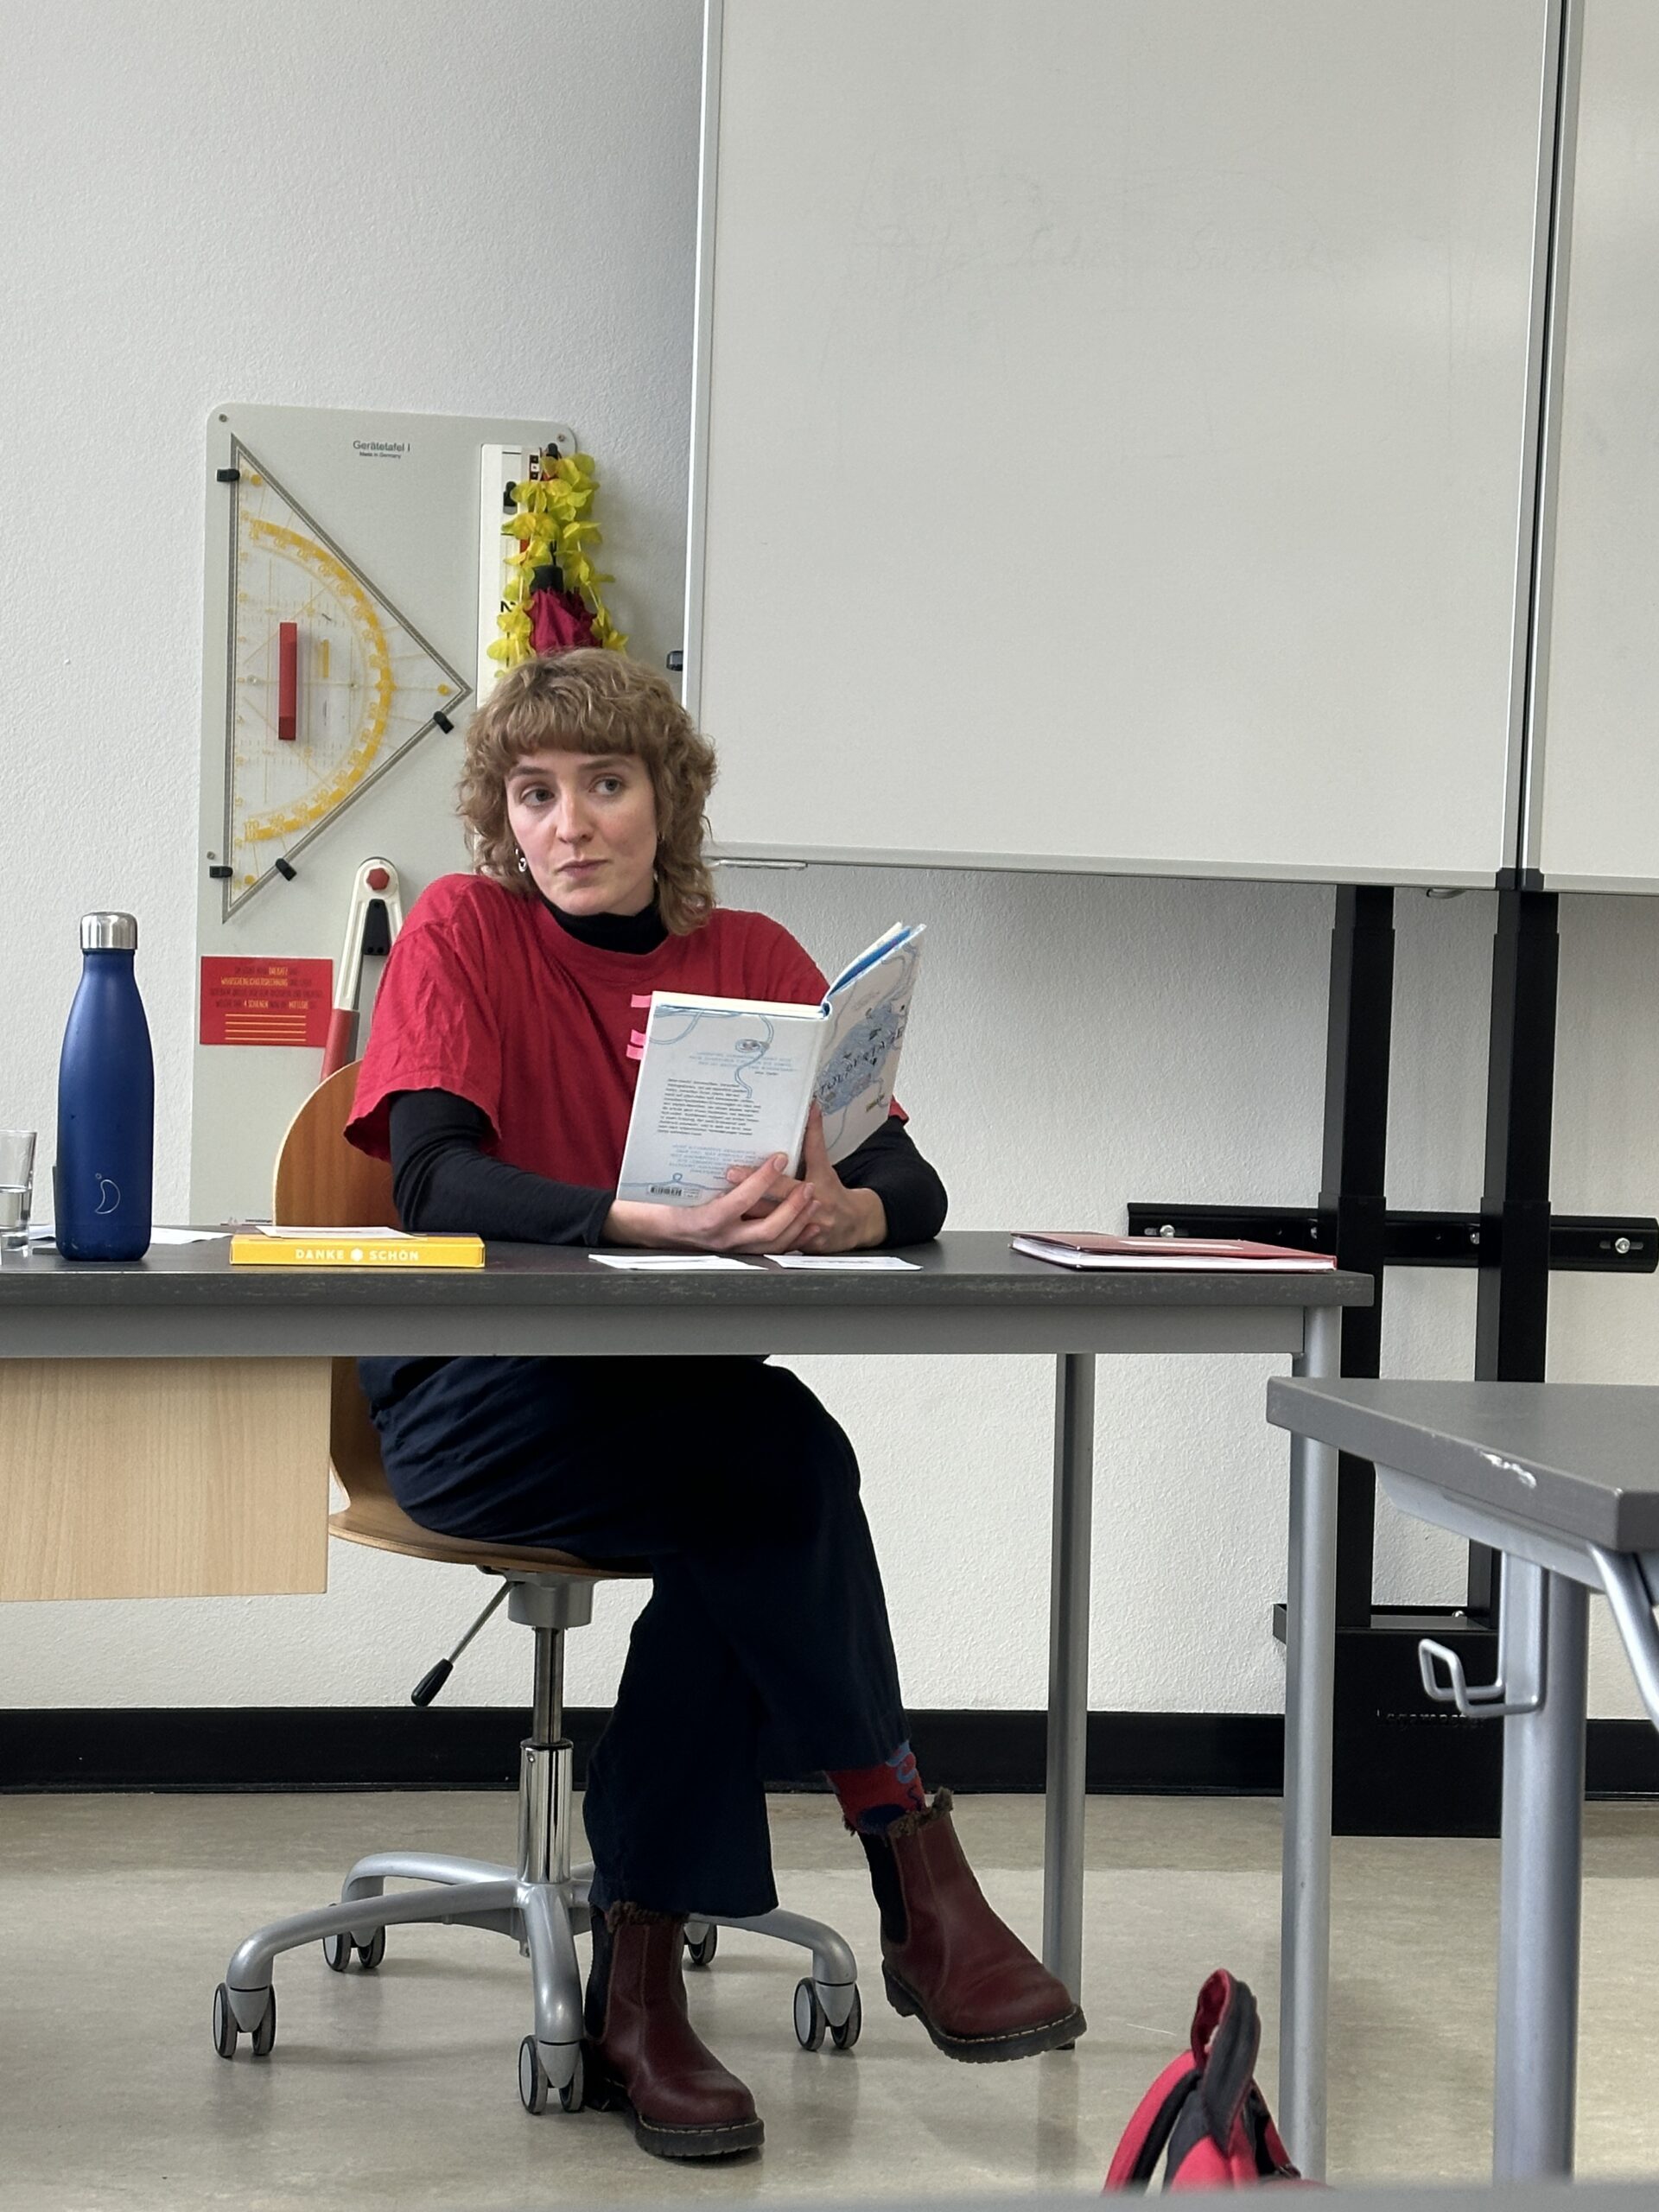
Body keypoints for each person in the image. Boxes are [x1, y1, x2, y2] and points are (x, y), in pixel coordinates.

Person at [346, 650, 1084, 2163]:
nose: (570, 824)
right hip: (470, 1401)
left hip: (677, 1417)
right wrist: (640, 1220)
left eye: (605, 786)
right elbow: (432, 1179)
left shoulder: (747, 950)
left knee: (749, 1491)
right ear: (502, 815)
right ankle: (902, 1847)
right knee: (785, 1467)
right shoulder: (460, 931)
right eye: (535, 794)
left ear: (666, 802)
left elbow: (910, 1177)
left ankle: (639, 1988)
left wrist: (841, 1212)